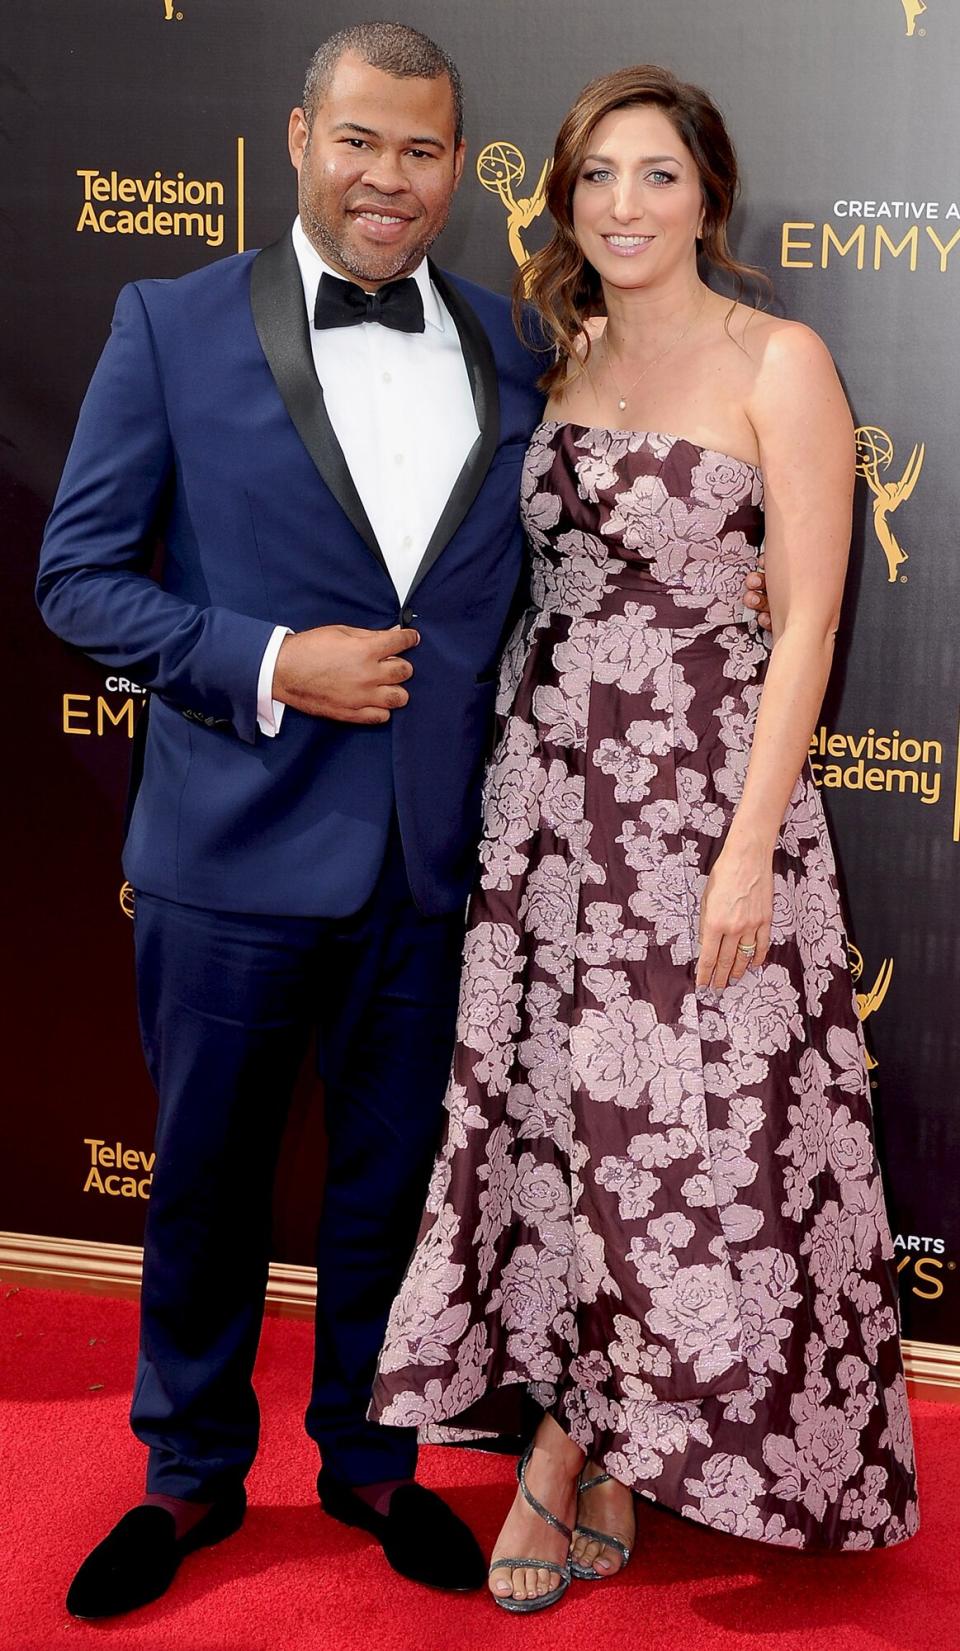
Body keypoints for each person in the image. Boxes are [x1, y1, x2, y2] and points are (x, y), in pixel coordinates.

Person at [371, 64, 918, 1614]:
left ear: (709, 195)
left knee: (703, 1148)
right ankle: (576, 1435)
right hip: (549, 805)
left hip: (709, 807)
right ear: (563, 199)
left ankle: (631, 1443)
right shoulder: (563, 356)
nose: (623, 204)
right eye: (595, 176)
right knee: (563, 1141)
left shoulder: (780, 357)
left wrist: (748, 850)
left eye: (656, 175)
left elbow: (811, 620)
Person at [37, 21, 549, 1616]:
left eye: (422, 152)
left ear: (459, 168)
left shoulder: (515, 341)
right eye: (360, 142)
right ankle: (187, 1477)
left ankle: (371, 1458)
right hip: (231, 854)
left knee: (390, 1184)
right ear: (296, 136)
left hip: (430, 858)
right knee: (203, 1179)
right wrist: (268, 660)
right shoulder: (170, 323)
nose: (389, 181)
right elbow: (79, 579)